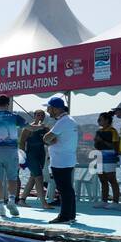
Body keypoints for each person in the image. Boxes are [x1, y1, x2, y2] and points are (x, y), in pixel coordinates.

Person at [44, 96, 79, 224]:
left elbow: (47, 138)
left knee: (64, 189)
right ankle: (71, 215)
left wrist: (48, 138)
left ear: (56, 109)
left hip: (60, 160)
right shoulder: (70, 120)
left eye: (49, 108)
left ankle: (64, 216)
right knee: (68, 188)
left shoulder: (63, 122)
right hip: (67, 159)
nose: (48, 111)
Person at [18, 110, 51, 209]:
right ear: (34, 116)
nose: (40, 117)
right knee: (39, 177)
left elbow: (48, 141)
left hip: (41, 154)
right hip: (31, 155)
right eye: (38, 115)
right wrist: (22, 156)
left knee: (33, 178)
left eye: (42, 115)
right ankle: (43, 202)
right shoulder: (29, 128)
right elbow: (22, 142)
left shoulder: (45, 128)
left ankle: (22, 200)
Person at [93, 112, 121, 207]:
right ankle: (104, 200)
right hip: (100, 156)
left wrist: (102, 141)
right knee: (102, 179)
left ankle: (115, 202)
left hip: (110, 156)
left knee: (111, 178)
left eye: (100, 119)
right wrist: (96, 142)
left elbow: (115, 146)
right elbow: (97, 145)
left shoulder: (113, 131)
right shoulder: (98, 131)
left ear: (107, 120)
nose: (98, 121)